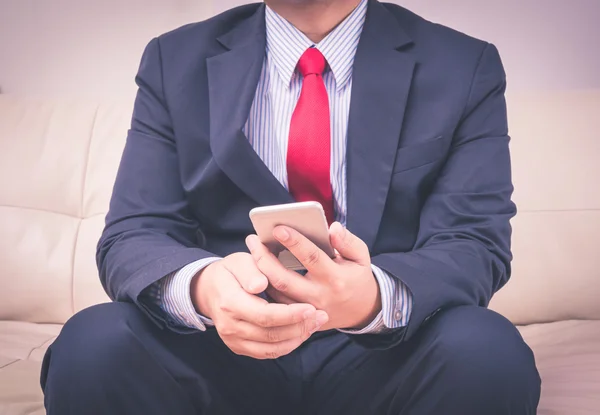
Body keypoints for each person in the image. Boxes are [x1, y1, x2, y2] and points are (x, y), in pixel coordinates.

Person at [40, 0, 541, 413]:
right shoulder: (174, 59)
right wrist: (204, 288)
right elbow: (134, 233)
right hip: (218, 347)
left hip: (388, 352)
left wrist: (369, 297)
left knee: (487, 353)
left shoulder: (462, 64)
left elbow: (473, 243)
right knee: (93, 345)